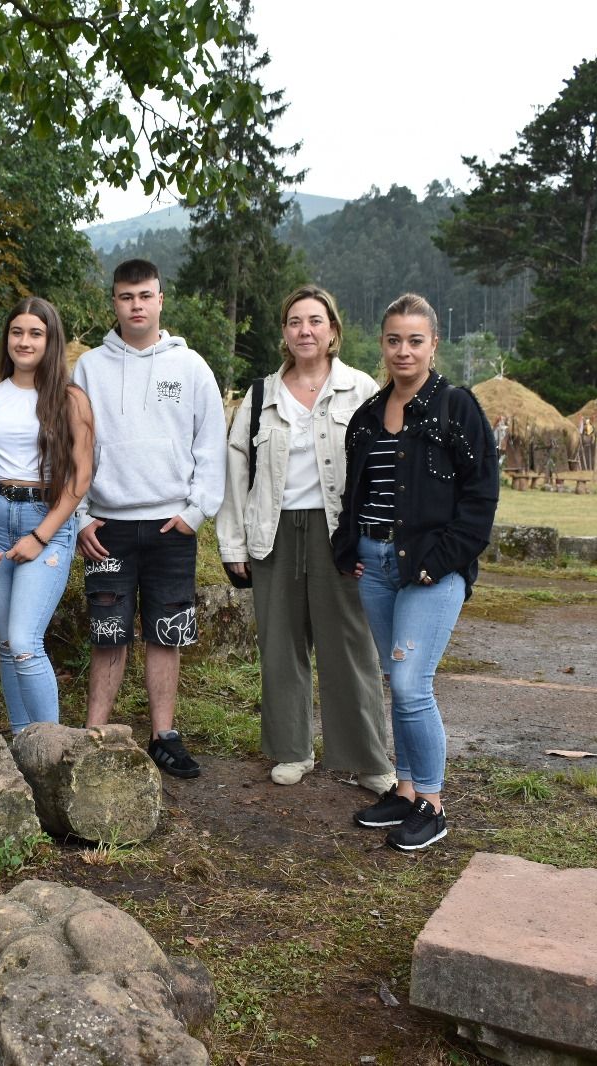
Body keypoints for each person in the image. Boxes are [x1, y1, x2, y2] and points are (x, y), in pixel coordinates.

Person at [331, 293, 499, 851]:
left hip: (431, 569)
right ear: (381, 345)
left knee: (410, 682)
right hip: (375, 565)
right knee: (394, 682)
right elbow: (354, 493)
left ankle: (432, 802)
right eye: (394, 340)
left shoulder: (457, 408)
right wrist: (347, 544)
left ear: (433, 345)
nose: (404, 351)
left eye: (415, 340)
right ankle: (403, 792)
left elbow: (480, 501)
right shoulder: (367, 417)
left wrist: (440, 560)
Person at [216, 285, 392, 792]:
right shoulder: (260, 395)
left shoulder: (360, 390)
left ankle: (368, 759)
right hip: (273, 532)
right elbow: (236, 473)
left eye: (315, 321)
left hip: (339, 534)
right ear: (284, 334)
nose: (305, 330)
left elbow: (381, 470)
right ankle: (292, 749)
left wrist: (375, 538)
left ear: (333, 330)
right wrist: (234, 546)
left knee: (351, 648)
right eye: (295, 322)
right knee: (282, 646)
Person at [74, 259, 225, 778]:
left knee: (167, 631)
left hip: (170, 525)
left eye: (145, 295)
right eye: (125, 296)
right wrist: (79, 516)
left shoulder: (191, 367)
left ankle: (164, 735)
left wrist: (195, 512)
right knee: (108, 631)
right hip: (106, 527)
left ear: (161, 299)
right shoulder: (89, 367)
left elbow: (210, 446)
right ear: (113, 303)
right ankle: (95, 733)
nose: (136, 305)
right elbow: (74, 448)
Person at [0, 297, 94, 732]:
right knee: (5, 644)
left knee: (23, 641)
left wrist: (40, 536)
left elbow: (80, 478)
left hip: (48, 522)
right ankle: (23, 742)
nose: (24, 340)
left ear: (50, 339)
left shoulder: (72, 400)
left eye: (35, 332)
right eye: (16, 331)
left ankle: (53, 751)